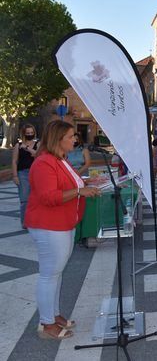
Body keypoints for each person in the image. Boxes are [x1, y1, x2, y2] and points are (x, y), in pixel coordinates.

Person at [25, 120, 100, 340]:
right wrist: (80, 192)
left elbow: (71, 184)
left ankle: (54, 314)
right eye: (70, 136)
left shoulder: (61, 160)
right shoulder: (43, 163)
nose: (75, 140)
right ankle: (46, 324)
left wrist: (86, 185)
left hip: (63, 224)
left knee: (56, 274)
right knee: (49, 275)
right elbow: (48, 197)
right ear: (58, 139)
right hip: (48, 225)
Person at [12, 124, 38, 227]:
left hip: (36, 174)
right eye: (28, 133)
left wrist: (26, 148)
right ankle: (25, 222)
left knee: (36, 199)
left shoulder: (38, 144)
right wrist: (15, 176)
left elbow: (38, 154)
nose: (30, 135)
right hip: (22, 174)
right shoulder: (18, 146)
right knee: (24, 199)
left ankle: (35, 220)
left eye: (31, 133)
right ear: (23, 134)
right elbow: (14, 161)